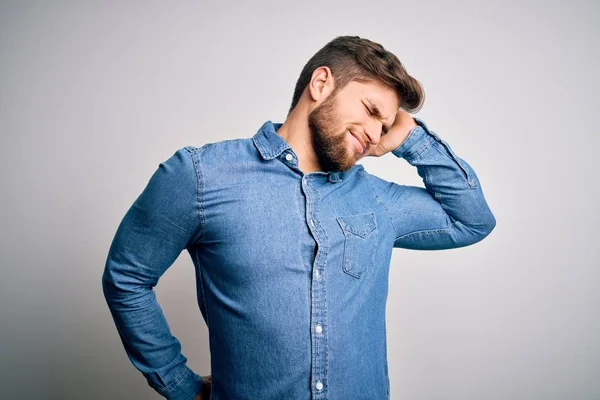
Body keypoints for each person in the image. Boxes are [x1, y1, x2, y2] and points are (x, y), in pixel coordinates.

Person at [102, 35, 496, 400]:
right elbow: (127, 277)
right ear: (321, 83)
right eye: (372, 110)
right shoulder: (202, 177)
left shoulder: (376, 198)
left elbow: (471, 220)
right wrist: (180, 385)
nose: (377, 135)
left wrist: (412, 138)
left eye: (386, 126)